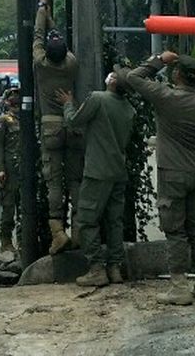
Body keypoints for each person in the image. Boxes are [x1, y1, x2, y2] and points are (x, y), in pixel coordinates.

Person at [116, 50, 195, 305]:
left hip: (172, 174)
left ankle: (179, 288)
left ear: (177, 74)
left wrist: (158, 60)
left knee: (175, 232)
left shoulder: (165, 97)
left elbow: (133, 77)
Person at [56, 68, 136, 287]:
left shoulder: (98, 99)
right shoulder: (129, 109)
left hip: (97, 171)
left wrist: (68, 103)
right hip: (118, 171)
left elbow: (74, 121)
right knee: (114, 221)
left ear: (112, 82)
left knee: (87, 219)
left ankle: (96, 269)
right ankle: (115, 268)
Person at [32, 0, 81, 254]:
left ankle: (58, 232)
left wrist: (41, 7)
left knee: (54, 181)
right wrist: (50, 17)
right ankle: (81, 230)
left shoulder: (42, 64)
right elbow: (54, 39)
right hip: (71, 125)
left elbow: (39, 37)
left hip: (50, 125)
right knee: (75, 180)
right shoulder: (72, 64)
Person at [0, 87, 23, 260]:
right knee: (8, 208)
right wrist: (0, 169)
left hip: (23, 170)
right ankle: (6, 242)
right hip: (10, 171)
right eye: (12, 98)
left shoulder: (26, 118)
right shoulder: (3, 121)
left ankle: (22, 241)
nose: (15, 100)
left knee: (24, 209)